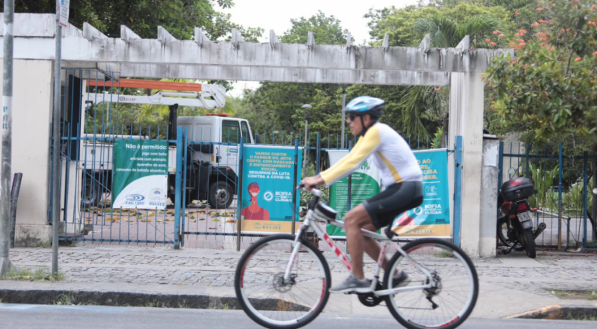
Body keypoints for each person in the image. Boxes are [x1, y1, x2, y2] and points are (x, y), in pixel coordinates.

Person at [302, 96, 423, 293]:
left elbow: (352, 163)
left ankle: (358, 278)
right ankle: (395, 274)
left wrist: (319, 180)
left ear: (366, 118)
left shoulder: (376, 131)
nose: (348, 121)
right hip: (401, 188)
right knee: (363, 231)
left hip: (405, 187)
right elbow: (348, 158)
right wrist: (318, 176)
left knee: (351, 219)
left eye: (351, 117)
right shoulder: (368, 135)